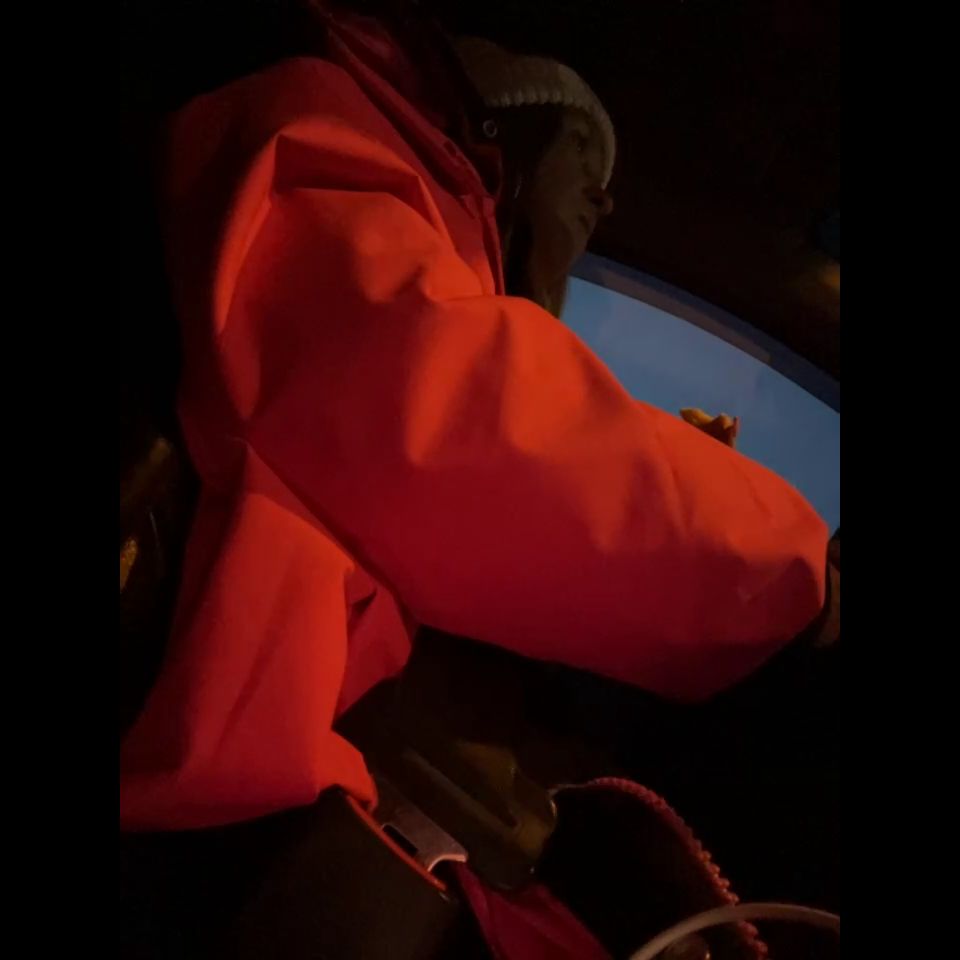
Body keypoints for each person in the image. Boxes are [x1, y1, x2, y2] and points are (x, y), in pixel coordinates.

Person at [120, 3, 834, 832]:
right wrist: (794, 579)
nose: (602, 203)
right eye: (584, 157)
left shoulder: (398, 214)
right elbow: (445, 406)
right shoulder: (325, 127)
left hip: (229, 766)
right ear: (502, 129)